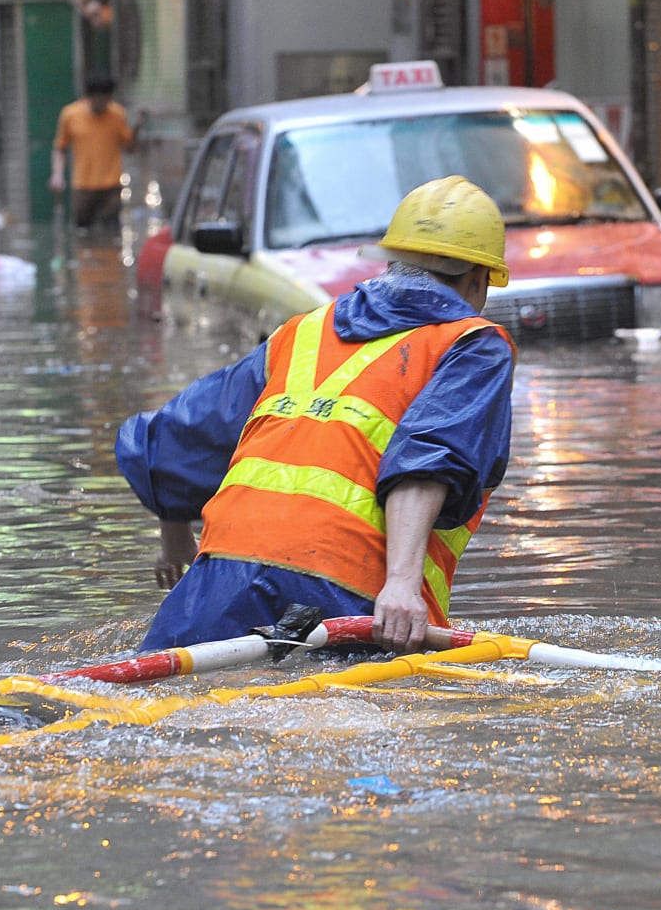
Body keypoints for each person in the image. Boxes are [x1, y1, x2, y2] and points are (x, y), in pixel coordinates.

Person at [115, 175, 516, 654]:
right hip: (344, 586)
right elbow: (430, 457)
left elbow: (183, 433)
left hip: (218, 579)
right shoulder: (473, 343)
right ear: (477, 279)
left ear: (392, 263)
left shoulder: (301, 332)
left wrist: (174, 531)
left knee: (144, 708)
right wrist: (403, 585)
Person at [49, 75, 145, 232]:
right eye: (97, 99)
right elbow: (60, 148)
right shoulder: (70, 114)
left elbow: (130, 148)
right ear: (88, 97)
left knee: (112, 231)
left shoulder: (117, 114)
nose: (101, 104)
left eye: (105, 99)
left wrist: (137, 127)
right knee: (82, 231)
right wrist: (57, 175)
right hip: (83, 186)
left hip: (112, 186)